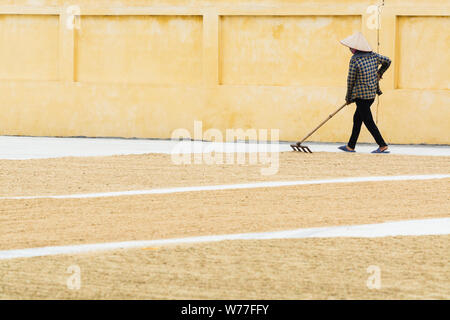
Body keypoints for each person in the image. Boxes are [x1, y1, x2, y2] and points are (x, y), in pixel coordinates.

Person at [338, 32, 391, 154]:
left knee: (368, 120)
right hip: (371, 94)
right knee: (357, 118)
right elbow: (388, 61)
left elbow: (350, 80)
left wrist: (348, 97)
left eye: (351, 48)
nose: (350, 50)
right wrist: (379, 73)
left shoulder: (355, 60)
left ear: (356, 48)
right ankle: (350, 146)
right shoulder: (373, 56)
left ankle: (382, 145)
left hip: (361, 96)